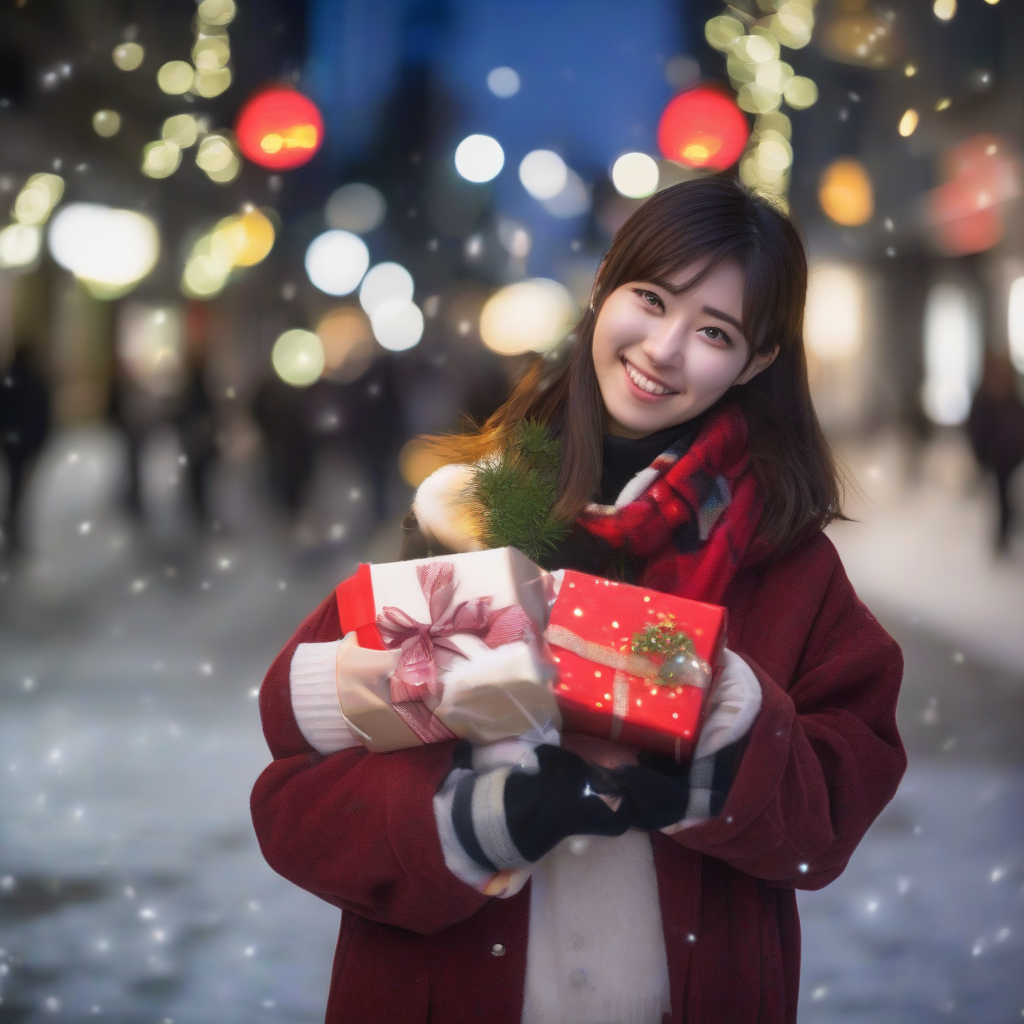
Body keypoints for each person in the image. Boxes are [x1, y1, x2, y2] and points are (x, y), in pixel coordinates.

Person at [251, 177, 906, 1023]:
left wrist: (721, 735)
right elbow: (298, 797)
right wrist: (469, 821)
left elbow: (830, 815)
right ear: (603, 287)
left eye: (714, 331)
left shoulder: (787, 564)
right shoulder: (467, 517)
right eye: (651, 298)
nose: (664, 349)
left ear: (759, 361)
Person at [967, 352, 1024, 553]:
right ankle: (1001, 537)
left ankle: (1005, 535)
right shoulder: (984, 398)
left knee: (1007, 499)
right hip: (996, 459)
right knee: (998, 500)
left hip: (1011, 458)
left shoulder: (1011, 397)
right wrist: (982, 455)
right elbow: (977, 429)